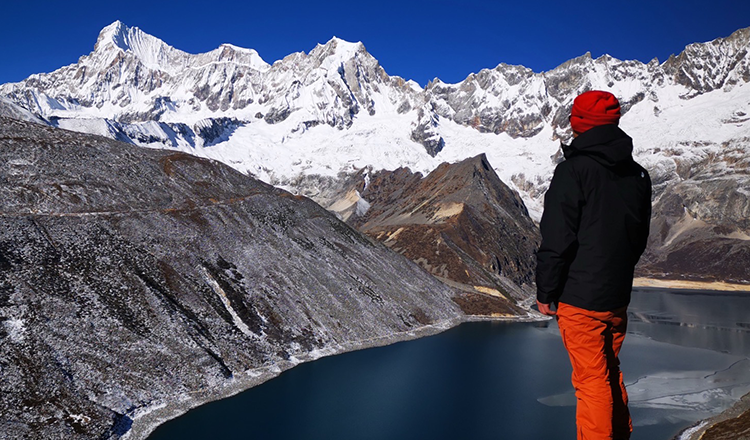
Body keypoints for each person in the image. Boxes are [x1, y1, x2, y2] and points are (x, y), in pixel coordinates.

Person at [535, 90, 652, 440]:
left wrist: (546, 291)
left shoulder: (573, 171)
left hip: (580, 299)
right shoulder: (638, 175)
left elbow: (557, 238)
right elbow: (638, 238)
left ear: (579, 124)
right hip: (616, 296)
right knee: (609, 372)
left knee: (590, 383)